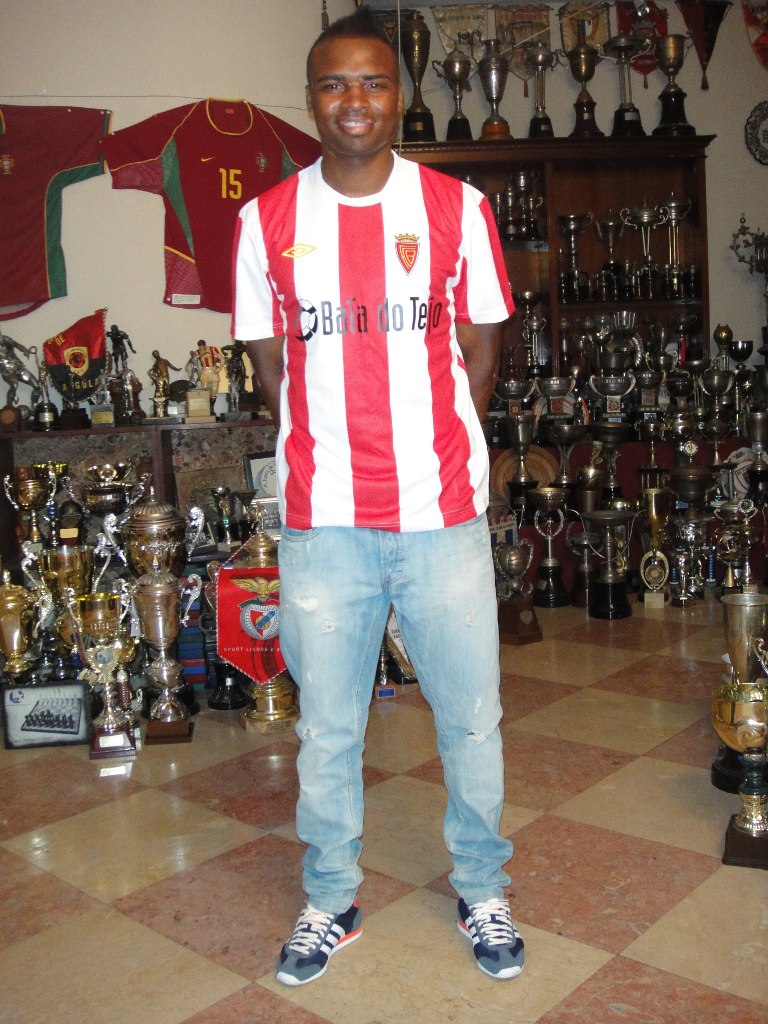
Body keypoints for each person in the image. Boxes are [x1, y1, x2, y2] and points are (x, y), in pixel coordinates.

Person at [232, 6, 522, 988]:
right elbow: (273, 370)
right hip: (325, 524)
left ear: (399, 95)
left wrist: (439, 447)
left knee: (471, 719)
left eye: (373, 82)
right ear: (311, 98)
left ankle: (483, 887)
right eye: (333, 83)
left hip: (442, 517)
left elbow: (481, 353)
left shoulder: (458, 210)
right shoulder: (264, 222)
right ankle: (330, 899)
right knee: (328, 728)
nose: (353, 100)